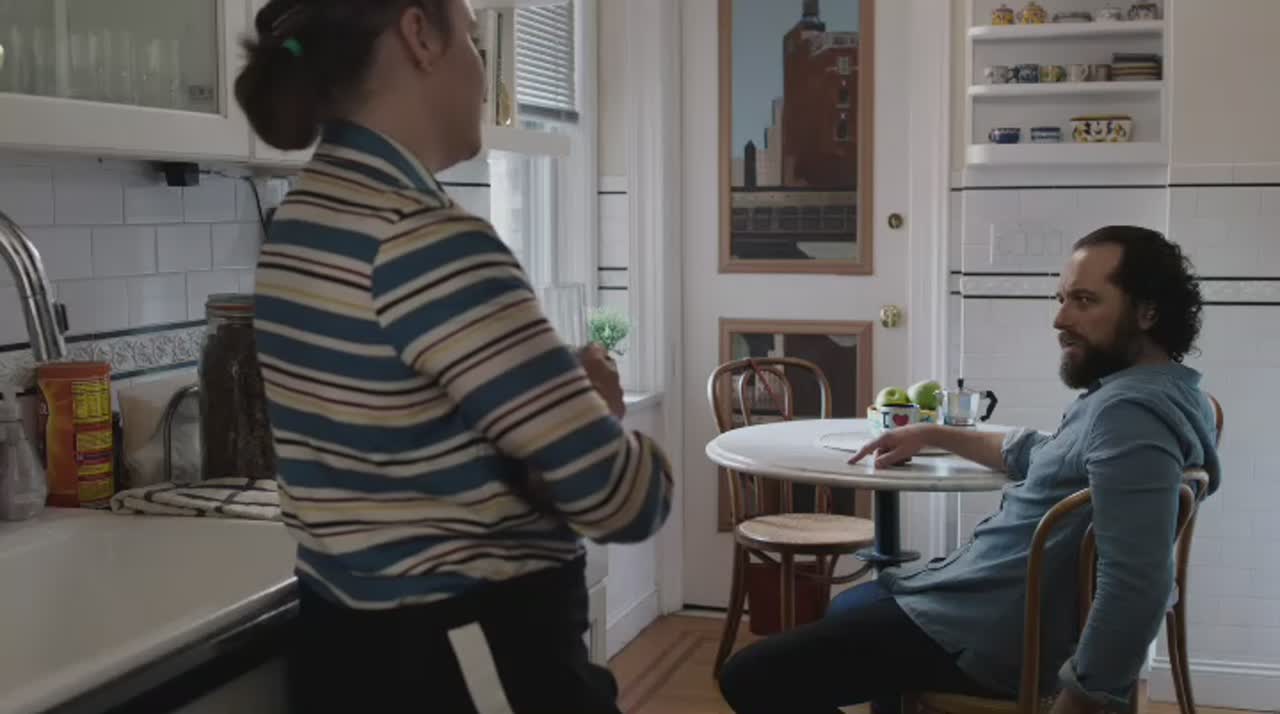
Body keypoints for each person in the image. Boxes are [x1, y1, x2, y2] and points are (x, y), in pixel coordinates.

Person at [233, 2, 673, 712]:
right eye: (472, 38)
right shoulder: (428, 240)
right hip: (472, 658)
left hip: (346, 651)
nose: (482, 69)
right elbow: (625, 500)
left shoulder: (299, 227)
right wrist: (594, 406)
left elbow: (402, 428)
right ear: (419, 36)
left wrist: (538, 390)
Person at [719, 225, 1220, 714]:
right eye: (1061, 298)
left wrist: (1084, 695)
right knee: (855, 605)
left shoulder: (1131, 415)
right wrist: (935, 434)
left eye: (1084, 301)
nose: (1060, 318)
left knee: (750, 676)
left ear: (1148, 312)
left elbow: (1137, 583)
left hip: (985, 632)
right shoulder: (1157, 393)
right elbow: (1042, 453)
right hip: (981, 608)